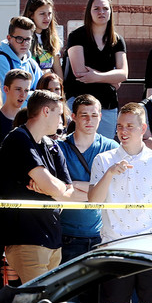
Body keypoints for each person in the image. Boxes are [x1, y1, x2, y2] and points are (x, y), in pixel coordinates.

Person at [0, 89, 88, 283]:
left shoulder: (51, 145)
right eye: (59, 114)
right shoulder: (19, 139)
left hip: (53, 240)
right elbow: (56, 189)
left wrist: (55, 188)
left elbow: (67, 190)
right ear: (45, 112)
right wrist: (55, 189)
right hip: (27, 240)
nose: (63, 121)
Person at [89, 104, 152, 303]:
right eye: (120, 126)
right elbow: (94, 201)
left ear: (143, 128)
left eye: (130, 126)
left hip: (150, 247)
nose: (123, 131)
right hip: (117, 245)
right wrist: (110, 173)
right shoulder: (103, 159)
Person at [58, 94, 118, 264]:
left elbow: (115, 190)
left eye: (94, 115)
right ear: (74, 117)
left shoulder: (111, 148)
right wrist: (97, 192)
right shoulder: (59, 148)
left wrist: (74, 185)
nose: (89, 120)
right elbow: (58, 192)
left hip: (101, 235)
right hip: (66, 234)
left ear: (100, 116)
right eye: (84, 115)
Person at [65, 0, 128, 140]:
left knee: (104, 150)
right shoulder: (76, 36)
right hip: (80, 103)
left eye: (105, 8)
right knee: (79, 147)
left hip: (108, 105)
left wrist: (97, 76)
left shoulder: (117, 40)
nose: (101, 12)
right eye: (96, 9)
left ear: (111, 12)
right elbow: (80, 73)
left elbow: (124, 74)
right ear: (89, 12)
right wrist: (111, 78)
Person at [0, 68, 32, 154]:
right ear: (6, 89)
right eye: (18, 89)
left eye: (26, 90)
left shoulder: (30, 121)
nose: (23, 95)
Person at [0, 16, 43, 89]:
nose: (24, 43)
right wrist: (32, 95)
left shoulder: (32, 65)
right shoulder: (0, 61)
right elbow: (4, 97)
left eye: (28, 39)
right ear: (9, 38)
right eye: (19, 38)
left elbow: (43, 96)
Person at [23, 0, 62, 76]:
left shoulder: (53, 39)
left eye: (49, 14)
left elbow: (58, 71)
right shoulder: (23, 39)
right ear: (31, 15)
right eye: (42, 14)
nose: (47, 18)